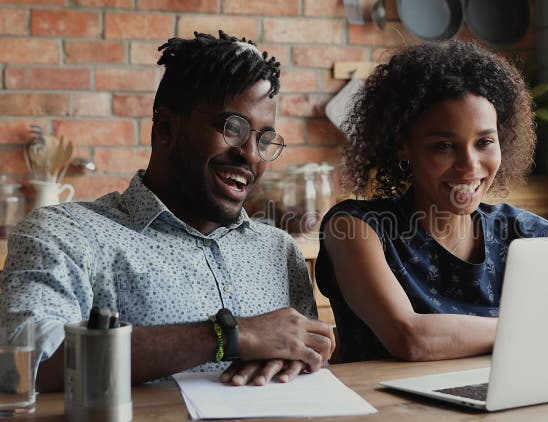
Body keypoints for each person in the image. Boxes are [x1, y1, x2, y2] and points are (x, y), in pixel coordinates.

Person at [0, 31, 334, 392]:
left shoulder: (278, 250)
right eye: (232, 128)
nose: (251, 155)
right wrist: (226, 335)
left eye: (264, 139)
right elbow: (23, 362)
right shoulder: (66, 233)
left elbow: (307, 359)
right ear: (166, 127)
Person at [316, 41, 548, 364]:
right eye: (444, 146)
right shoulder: (356, 228)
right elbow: (411, 338)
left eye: (485, 142)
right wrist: (545, 326)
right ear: (402, 146)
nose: (470, 165)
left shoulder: (531, 236)